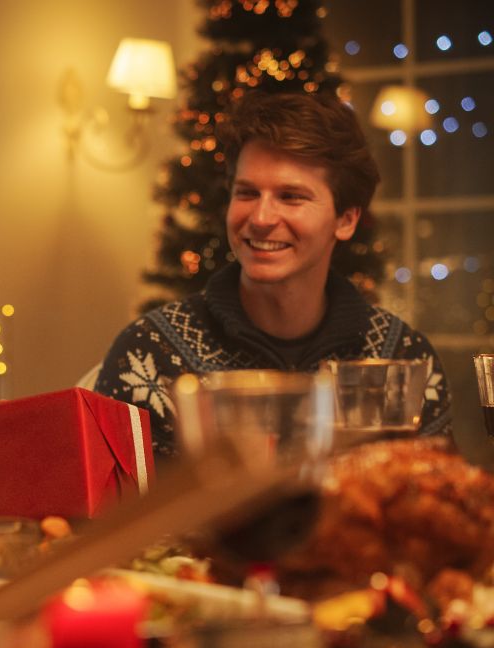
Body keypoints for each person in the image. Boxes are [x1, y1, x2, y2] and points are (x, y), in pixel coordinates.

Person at [94, 91, 451, 456]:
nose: (261, 219)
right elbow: (115, 511)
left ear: (346, 219)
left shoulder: (402, 355)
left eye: (291, 197)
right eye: (247, 193)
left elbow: (437, 503)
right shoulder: (150, 354)